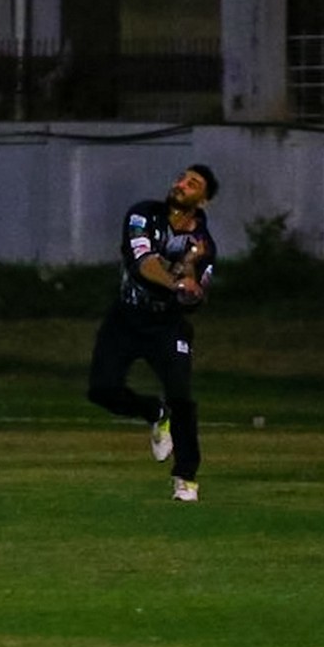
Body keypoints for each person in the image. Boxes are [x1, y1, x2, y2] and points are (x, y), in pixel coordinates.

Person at [87, 164, 219, 502]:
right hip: (126, 318)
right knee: (102, 390)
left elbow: (195, 298)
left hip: (167, 325)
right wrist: (177, 282)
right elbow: (142, 264)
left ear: (203, 200)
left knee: (181, 397)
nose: (181, 185)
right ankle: (154, 413)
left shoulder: (204, 245)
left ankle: (186, 477)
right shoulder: (142, 215)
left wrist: (191, 278)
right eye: (182, 178)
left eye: (193, 184)